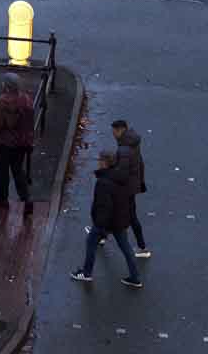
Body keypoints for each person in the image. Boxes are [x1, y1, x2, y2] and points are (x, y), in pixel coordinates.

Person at [71, 152, 144, 288]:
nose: (98, 162)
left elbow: (103, 206)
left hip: (105, 222)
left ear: (104, 163)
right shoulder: (122, 178)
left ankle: (86, 273)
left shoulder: (103, 182)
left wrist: (100, 226)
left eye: (100, 160)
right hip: (120, 220)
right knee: (126, 248)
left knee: (91, 243)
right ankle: (135, 277)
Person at [0, 75, 38, 208]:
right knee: (17, 170)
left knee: (3, 171)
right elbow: (29, 122)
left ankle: (3, 199)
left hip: (4, 143)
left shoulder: (2, 102)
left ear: (6, 86)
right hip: (21, 143)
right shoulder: (26, 100)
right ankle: (26, 198)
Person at [112, 119, 150, 256]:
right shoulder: (133, 143)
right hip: (131, 186)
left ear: (121, 130)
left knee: (127, 215)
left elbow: (121, 171)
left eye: (114, 131)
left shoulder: (124, 148)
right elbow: (140, 163)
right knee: (121, 212)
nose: (113, 135)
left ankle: (142, 247)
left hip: (125, 188)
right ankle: (142, 247)